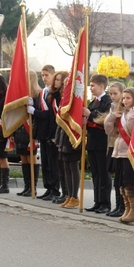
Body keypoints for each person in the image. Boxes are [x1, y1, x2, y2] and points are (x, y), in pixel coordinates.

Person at [104, 87, 134, 223]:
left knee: (129, 181)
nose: (125, 101)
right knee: (120, 181)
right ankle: (127, 208)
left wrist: (129, 117)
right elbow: (110, 131)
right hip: (118, 151)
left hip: (129, 153)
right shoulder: (121, 114)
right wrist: (112, 116)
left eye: (128, 98)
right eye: (123, 98)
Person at [83, 74, 112, 214]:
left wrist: (90, 115)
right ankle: (97, 201)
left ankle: (105, 203)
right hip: (92, 142)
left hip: (102, 142)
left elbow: (105, 120)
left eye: (93, 85)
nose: (91, 88)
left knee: (103, 173)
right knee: (95, 173)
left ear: (101, 86)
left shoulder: (107, 102)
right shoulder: (92, 102)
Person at [52, 71, 81, 209]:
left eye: (67, 85)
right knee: (66, 167)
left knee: (72, 167)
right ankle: (69, 195)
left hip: (72, 137)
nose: (65, 87)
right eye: (64, 85)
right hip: (63, 136)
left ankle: (74, 196)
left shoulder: (75, 101)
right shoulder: (65, 100)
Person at [35, 64, 62, 201]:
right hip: (43, 132)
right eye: (42, 75)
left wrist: (35, 112)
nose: (44, 78)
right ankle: (48, 187)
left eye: (47, 75)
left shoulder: (55, 93)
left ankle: (55, 189)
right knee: (45, 162)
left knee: (53, 163)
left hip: (52, 132)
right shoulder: (42, 92)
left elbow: (49, 114)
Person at [17, 70, 42, 197]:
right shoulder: (21, 93)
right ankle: (26, 186)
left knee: (31, 157)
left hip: (32, 129)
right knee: (23, 158)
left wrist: (33, 108)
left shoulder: (38, 94)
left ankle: (33, 187)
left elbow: (39, 112)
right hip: (21, 129)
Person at [105, 81, 126, 217]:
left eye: (115, 94)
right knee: (116, 179)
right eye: (110, 94)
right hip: (113, 145)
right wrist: (111, 116)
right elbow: (109, 130)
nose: (112, 96)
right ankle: (118, 205)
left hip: (123, 146)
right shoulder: (112, 107)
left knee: (122, 179)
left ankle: (123, 207)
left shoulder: (125, 109)